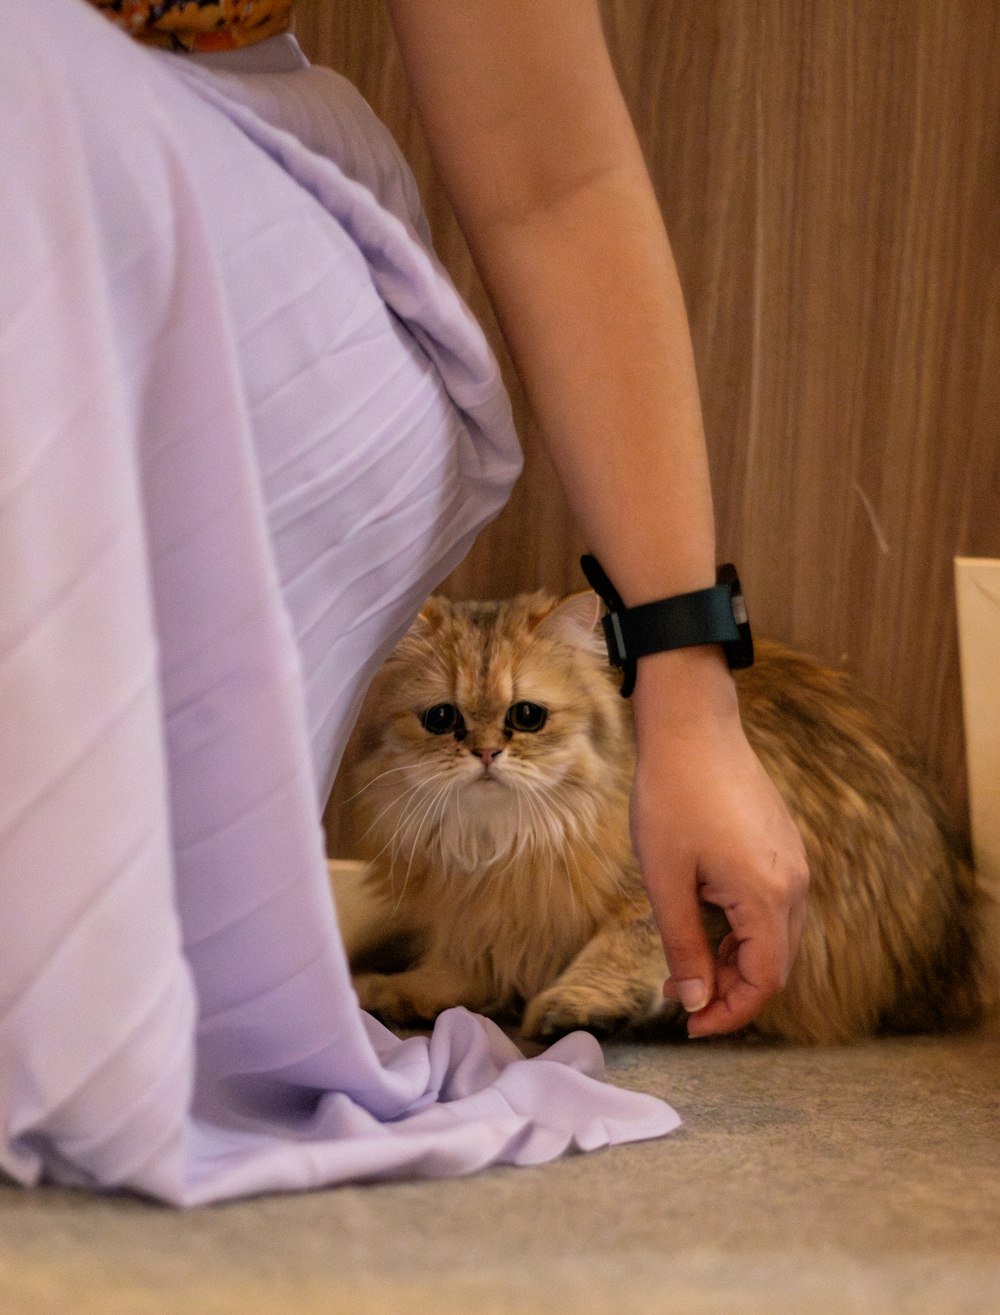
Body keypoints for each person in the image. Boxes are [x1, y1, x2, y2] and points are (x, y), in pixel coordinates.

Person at [0, 0, 807, 1205]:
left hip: (187, 158)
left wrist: (688, 696)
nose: (485, 746)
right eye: (453, 725)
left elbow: (556, 180)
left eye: (520, 725)